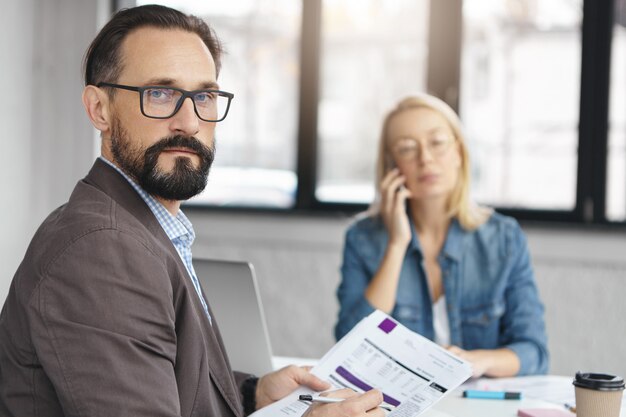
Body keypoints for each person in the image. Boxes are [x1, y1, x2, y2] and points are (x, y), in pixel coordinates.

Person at [0, 5, 384, 417]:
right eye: (160, 93)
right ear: (99, 109)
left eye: (203, 96)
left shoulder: (142, 225)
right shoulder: (102, 249)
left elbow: (164, 374)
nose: (189, 121)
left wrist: (251, 393)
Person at [335, 94, 549, 378]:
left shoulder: (504, 239)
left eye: (437, 143)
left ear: (459, 153)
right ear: (391, 166)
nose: (425, 158)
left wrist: (479, 361)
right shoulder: (363, 239)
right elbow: (349, 346)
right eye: (407, 148)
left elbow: (534, 351)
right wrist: (397, 244)